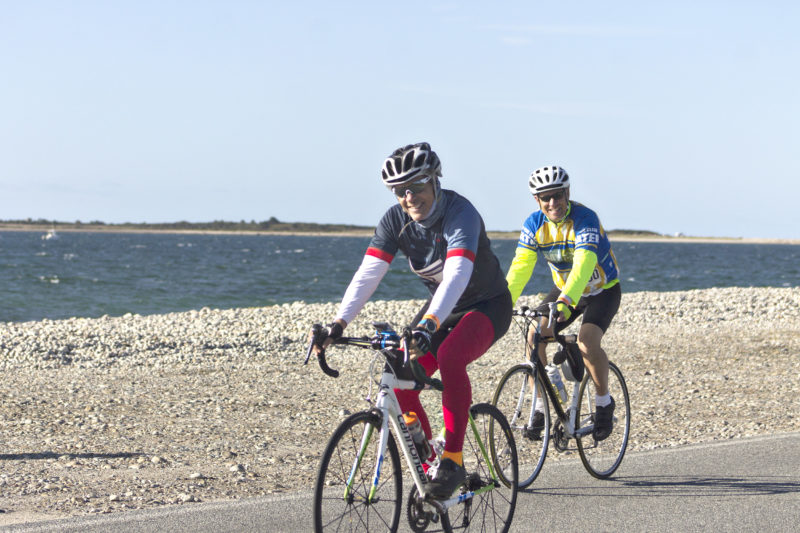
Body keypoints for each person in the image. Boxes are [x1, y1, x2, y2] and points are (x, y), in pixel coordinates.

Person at [310, 142, 512, 498]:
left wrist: (430, 323)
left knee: (450, 356)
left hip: (487, 305)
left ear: (435, 180)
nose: (408, 197)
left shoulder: (460, 213)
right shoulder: (395, 221)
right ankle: (426, 451)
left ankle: (452, 459)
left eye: (416, 187)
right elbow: (368, 273)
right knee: (400, 367)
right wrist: (338, 324)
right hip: (441, 308)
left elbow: (457, 275)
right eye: (399, 191)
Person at [505, 165, 621, 441]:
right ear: (537, 200)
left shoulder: (585, 219)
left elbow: (584, 263)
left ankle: (604, 402)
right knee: (534, 337)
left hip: (601, 290)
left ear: (567, 193)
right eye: (546, 198)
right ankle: (542, 407)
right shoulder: (534, 224)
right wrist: (503, 300)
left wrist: (567, 300)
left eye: (558, 195)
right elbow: (521, 266)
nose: (553, 203)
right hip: (564, 291)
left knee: (587, 342)